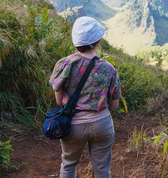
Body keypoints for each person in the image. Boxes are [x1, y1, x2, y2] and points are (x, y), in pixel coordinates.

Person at [49, 16, 121, 178]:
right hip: (102, 124)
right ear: (98, 41)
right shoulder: (108, 69)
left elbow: (59, 101)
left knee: (68, 164)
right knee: (102, 169)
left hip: (72, 125)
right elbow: (115, 105)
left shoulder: (64, 64)